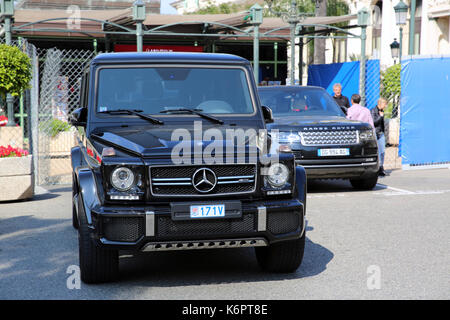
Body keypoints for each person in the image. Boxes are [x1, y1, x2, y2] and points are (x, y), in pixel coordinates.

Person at [371, 98, 388, 177]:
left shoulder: (381, 111)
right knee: (377, 151)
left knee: (382, 151)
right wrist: (380, 117)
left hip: (381, 133)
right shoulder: (373, 111)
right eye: (385, 104)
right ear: (380, 103)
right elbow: (373, 122)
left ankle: (381, 167)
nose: (386, 106)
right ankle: (377, 168)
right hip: (376, 133)